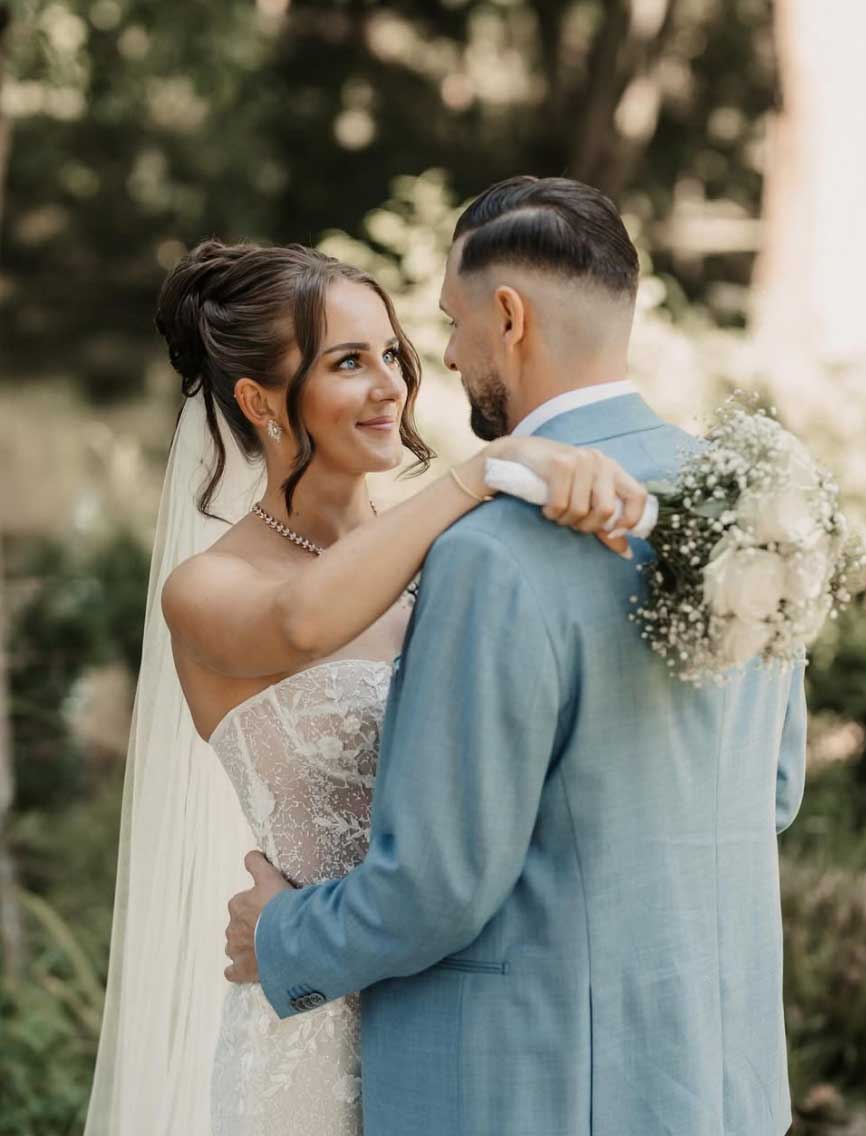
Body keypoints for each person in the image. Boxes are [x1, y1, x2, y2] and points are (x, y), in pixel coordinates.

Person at [226, 175, 807, 1136]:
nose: (449, 357)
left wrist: (282, 936)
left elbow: (439, 885)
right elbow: (771, 790)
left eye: (452, 324)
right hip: (718, 1076)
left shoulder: (491, 552)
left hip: (532, 1088)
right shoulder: (743, 505)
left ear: (508, 317)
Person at [83, 234, 648, 1136]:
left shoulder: (461, 557)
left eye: (393, 353)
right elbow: (303, 622)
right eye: (349, 361)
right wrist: (478, 475)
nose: (391, 385)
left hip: (474, 1012)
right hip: (313, 1027)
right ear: (260, 402)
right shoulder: (208, 589)